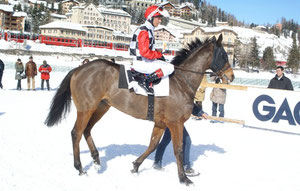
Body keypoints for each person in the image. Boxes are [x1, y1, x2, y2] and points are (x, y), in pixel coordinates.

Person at [129, 5, 174, 94]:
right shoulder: (144, 31)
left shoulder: (148, 30)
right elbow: (144, 52)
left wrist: (158, 54)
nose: (160, 21)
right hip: (141, 63)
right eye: (158, 18)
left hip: (144, 61)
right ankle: (146, 81)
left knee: (166, 64)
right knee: (170, 67)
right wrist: (159, 55)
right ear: (151, 17)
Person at [153, 110, 208, 176]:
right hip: (174, 120)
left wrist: (200, 113)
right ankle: (186, 167)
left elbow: (188, 102)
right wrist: (200, 112)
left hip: (173, 118)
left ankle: (157, 162)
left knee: (166, 140)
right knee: (186, 141)